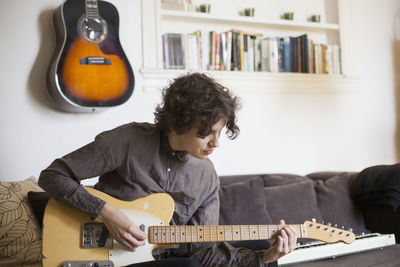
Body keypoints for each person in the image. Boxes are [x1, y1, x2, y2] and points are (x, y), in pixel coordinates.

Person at [39, 72, 297, 267]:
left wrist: (267, 256)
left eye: (219, 133)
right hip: (101, 255)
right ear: (176, 122)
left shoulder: (206, 176)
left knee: (250, 248)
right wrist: (106, 214)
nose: (215, 143)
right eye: (205, 133)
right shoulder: (127, 141)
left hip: (161, 259)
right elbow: (53, 176)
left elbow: (203, 252)